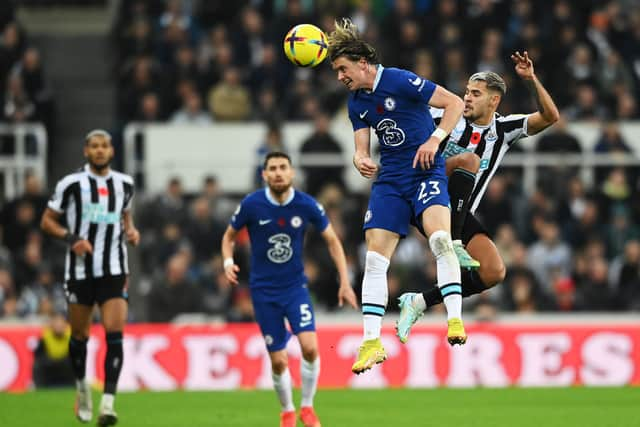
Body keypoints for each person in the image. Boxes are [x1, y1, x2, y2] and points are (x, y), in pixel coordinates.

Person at [327, 18, 469, 375]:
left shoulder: (399, 79)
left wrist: (435, 140)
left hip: (426, 171)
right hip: (390, 180)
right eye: (336, 71)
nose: (340, 77)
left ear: (362, 62)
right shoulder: (355, 103)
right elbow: (361, 147)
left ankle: (454, 320)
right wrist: (359, 158)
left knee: (440, 239)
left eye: (343, 69)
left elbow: (453, 103)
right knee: (374, 261)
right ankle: (372, 343)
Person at [396, 51, 560, 343]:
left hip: (456, 212)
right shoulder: (447, 114)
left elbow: (550, 117)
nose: (467, 98)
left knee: (494, 271)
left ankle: (419, 302)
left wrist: (531, 80)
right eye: (466, 92)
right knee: (468, 160)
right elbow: (403, 110)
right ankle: (455, 242)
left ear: (493, 100)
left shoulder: (503, 130)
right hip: (424, 195)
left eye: (475, 93)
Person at [221, 151, 358, 427]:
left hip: (295, 288)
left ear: (292, 172)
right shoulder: (252, 204)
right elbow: (229, 237)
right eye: (272, 168)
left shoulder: (306, 204)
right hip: (263, 292)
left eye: (283, 167)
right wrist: (227, 261)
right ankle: (287, 410)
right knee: (279, 361)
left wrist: (344, 281)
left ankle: (307, 407)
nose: (278, 172)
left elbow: (333, 241)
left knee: (309, 348)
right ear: (265, 174)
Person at [40, 129, 140, 426]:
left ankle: (108, 404)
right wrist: (71, 238)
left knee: (114, 333)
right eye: (94, 146)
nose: (99, 151)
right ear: (86, 151)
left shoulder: (125, 184)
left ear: (112, 151)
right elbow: (47, 221)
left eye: (104, 146)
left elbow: (125, 217)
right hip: (80, 270)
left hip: (114, 269)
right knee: (80, 336)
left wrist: (131, 231)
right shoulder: (71, 184)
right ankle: (83, 387)